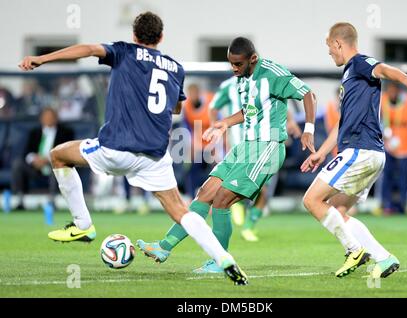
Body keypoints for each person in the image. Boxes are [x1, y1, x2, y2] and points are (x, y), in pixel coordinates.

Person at [19, 11, 247, 285]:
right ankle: (223, 258)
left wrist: (42, 58)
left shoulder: (124, 52)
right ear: (161, 37)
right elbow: (175, 107)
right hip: (154, 155)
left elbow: (89, 49)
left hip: (116, 148)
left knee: (58, 155)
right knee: (181, 211)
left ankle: (82, 226)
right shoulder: (176, 68)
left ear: (134, 35)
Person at [138, 37, 316, 273]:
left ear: (253, 59)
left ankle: (220, 261)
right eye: (231, 63)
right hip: (244, 147)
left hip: (267, 147)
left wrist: (309, 130)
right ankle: (164, 246)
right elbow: (249, 110)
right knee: (205, 192)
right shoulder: (242, 79)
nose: (234, 68)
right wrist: (224, 123)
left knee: (221, 199)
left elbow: (308, 94)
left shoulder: (272, 73)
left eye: (238, 64)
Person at [301, 22, 407, 279]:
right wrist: (322, 152)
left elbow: (380, 68)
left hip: (359, 151)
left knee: (311, 200)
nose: (330, 54)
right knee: (337, 212)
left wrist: (405, 79)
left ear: (338, 43)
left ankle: (354, 250)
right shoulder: (350, 76)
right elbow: (342, 122)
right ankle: (383, 258)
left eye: (330, 48)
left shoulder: (359, 63)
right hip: (369, 154)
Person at [209, 76, 302, 243]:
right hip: (240, 143)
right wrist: (216, 129)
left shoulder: (262, 81)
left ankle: (247, 224)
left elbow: (275, 102)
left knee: (263, 189)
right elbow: (213, 107)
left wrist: (290, 121)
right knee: (252, 188)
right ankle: (241, 215)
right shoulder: (228, 86)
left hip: (264, 143)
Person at [11, 107, 74, 210]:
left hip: (54, 166)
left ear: (56, 118)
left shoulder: (66, 132)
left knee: (58, 168)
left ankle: (52, 201)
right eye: (46, 117)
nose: (48, 119)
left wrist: (47, 159)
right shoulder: (34, 132)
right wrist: (34, 159)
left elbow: (67, 152)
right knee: (18, 164)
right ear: (41, 119)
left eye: (51, 117)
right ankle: (19, 199)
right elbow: (27, 152)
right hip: (35, 168)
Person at [380, 82, 407, 214]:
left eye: (395, 90)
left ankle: (404, 204)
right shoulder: (382, 101)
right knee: (386, 174)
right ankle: (385, 203)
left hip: (406, 146)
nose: (392, 93)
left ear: (399, 91)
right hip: (387, 145)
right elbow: (376, 119)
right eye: (390, 90)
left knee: (405, 175)